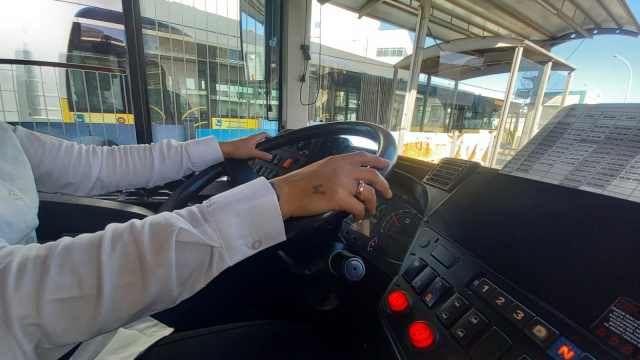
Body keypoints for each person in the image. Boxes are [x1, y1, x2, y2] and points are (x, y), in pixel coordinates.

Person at [0, 122, 393, 359]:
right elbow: (18, 294)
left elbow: (94, 165)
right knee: (299, 343)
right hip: (49, 341)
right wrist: (277, 197)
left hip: (67, 327)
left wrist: (217, 150)